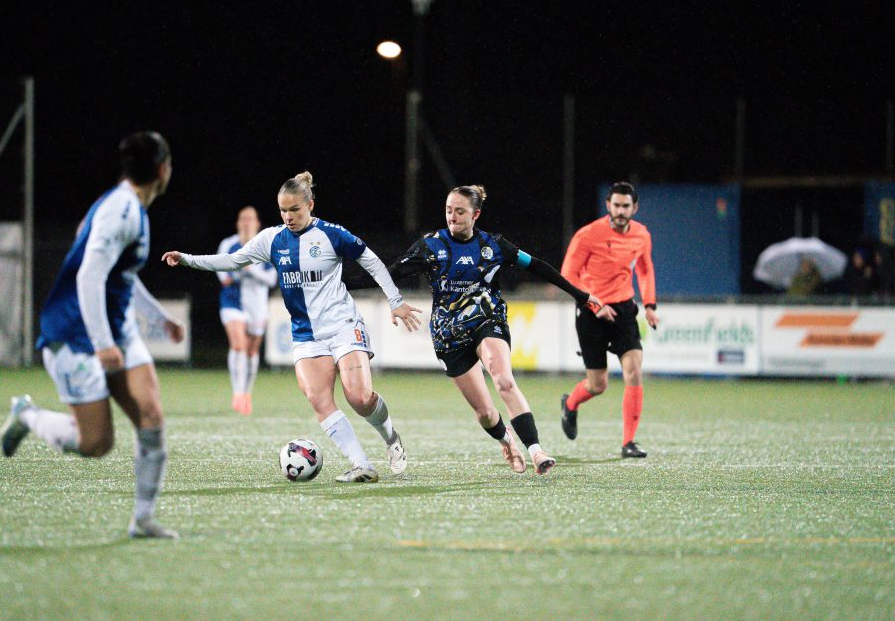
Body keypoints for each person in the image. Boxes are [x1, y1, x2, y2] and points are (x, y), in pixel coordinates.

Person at [162, 171, 422, 483]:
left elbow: (372, 261)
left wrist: (395, 300)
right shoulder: (272, 239)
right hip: (306, 335)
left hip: (343, 325)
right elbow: (232, 261)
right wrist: (187, 259)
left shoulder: (331, 234)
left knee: (360, 397)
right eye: (283, 210)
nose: (288, 217)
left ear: (310, 205)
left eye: (295, 209)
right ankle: (361, 465)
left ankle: (391, 438)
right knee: (318, 399)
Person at [0, 131, 184, 539]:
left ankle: (143, 520)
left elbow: (122, 275)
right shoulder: (121, 211)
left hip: (115, 329)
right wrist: (102, 344)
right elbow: (89, 277)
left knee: (151, 417)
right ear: (162, 170)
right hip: (73, 334)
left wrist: (158, 319)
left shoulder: (129, 207)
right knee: (96, 442)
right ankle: (26, 415)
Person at [348, 185, 602, 476]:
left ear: (476, 214)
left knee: (504, 380)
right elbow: (387, 274)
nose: (452, 217)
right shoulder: (430, 246)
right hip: (448, 336)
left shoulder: (494, 245)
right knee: (485, 413)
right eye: (448, 210)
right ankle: (506, 441)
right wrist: (340, 284)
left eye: (460, 211)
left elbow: (536, 266)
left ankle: (536, 451)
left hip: (487, 320)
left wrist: (579, 295)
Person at [560, 181, 658, 459]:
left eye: (626, 206)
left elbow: (645, 269)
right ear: (608, 206)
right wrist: (595, 304)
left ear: (634, 208)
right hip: (591, 311)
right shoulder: (588, 234)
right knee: (598, 385)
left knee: (634, 370)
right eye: (616, 205)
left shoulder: (641, 235)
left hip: (624, 309)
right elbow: (568, 275)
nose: (621, 211)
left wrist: (650, 305)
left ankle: (629, 442)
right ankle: (570, 403)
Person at [216, 206, 277, 415]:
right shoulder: (228, 245)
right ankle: (237, 393)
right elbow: (223, 277)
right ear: (237, 223)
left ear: (257, 223)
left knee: (251, 351)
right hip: (232, 302)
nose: (246, 223)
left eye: (250, 219)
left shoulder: (265, 246)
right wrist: (238, 271)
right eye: (243, 219)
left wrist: (250, 270)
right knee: (238, 345)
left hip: (257, 306)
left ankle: (247, 392)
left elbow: (271, 280)